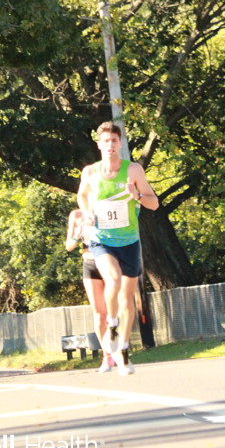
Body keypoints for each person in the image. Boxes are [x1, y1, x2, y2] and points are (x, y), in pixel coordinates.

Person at [76, 121, 160, 375]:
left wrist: (136, 195)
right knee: (112, 280)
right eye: (106, 141)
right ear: (99, 145)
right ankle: (111, 326)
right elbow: (82, 195)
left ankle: (123, 351)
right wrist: (87, 212)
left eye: (114, 140)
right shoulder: (90, 172)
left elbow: (154, 204)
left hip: (129, 241)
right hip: (101, 240)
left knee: (127, 301)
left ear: (120, 143)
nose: (110, 145)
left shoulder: (133, 170)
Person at [66, 208, 112, 372]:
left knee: (114, 312)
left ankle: (119, 348)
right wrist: (76, 234)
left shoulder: (107, 206)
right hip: (90, 264)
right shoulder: (76, 215)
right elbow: (69, 246)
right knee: (100, 314)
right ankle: (107, 355)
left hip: (109, 261)